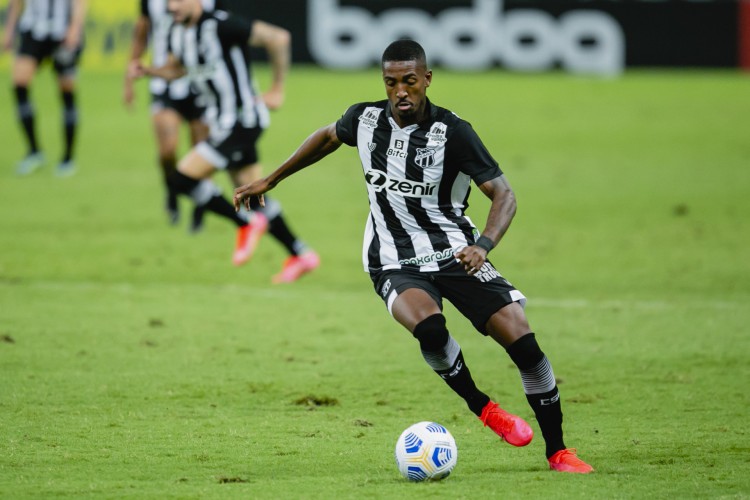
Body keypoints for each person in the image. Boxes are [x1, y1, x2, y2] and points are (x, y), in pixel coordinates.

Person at [234, 39, 594, 473]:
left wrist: (483, 244)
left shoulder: (454, 132)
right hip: (392, 259)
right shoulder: (364, 119)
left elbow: (504, 194)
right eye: (391, 83)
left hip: (456, 253)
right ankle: (484, 407)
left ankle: (558, 452)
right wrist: (271, 179)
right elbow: (328, 136)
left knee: (525, 346)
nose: (401, 91)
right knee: (430, 329)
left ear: (426, 79)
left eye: (409, 81)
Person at [134, 0, 320, 281]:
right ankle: (301, 253)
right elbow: (178, 68)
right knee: (254, 197)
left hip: (242, 120)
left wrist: (277, 89)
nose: (171, 7)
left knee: (181, 179)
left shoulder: (222, 24)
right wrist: (150, 71)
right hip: (221, 121)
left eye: (177, 0)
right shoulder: (177, 30)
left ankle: (244, 224)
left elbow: (278, 38)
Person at [124, 0, 223, 230]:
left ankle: (200, 210)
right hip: (164, 83)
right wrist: (128, 80)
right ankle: (171, 190)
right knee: (167, 151)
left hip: (201, 85)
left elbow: (223, 32)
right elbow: (141, 34)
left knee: (202, 154)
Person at [2, 0, 87, 177]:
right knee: (19, 84)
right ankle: (34, 151)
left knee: (67, 91)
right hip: (33, 29)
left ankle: (67, 158)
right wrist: (9, 30)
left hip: (62, 33)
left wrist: (75, 27)